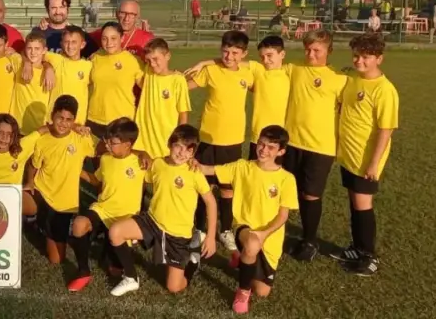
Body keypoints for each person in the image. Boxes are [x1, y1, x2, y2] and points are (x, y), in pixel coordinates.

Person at [195, 125, 298, 314]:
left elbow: (283, 216)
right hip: (243, 228)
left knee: (262, 291)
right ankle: (242, 292)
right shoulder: (242, 166)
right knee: (252, 244)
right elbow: (207, 169)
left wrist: (264, 233)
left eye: (271, 147)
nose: (263, 150)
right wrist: (190, 162)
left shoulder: (287, 179)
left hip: (270, 237)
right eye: (261, 144)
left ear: (281, 151)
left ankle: (241, 257)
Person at [107, 124, 217, 297]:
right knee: (115, 232)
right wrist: (142, 153)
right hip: (152, 222)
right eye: (178, 146)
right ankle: (131, 277)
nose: (182, 153)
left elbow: (211, 202)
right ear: (169, 145)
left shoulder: (194, 172)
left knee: (174, 287)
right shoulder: (158, 164)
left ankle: (192, 264)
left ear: (193, 154)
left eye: (188, 150)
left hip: (178, 235)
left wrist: (210, 237)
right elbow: (138, 168)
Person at [331, 34, 399, 276]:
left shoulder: (384, 90)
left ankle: (369, 256)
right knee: (354, 202)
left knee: (363, 205)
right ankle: (357, 247)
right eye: (356, 55)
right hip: (349, 156)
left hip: (365, 160)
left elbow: (386, 129)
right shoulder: (353, 79)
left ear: (379, 58)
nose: (359, 61)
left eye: (366, 57)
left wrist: (374, 163)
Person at [283, 29, 348, 261]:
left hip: (321, 147)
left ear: (329, 51)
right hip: (291, 143)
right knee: (285, 192)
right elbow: (262, 69)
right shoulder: (294, 69)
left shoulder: (340, 80)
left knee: (310, 195)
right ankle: (276, 233)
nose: (310, 54)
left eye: (316, 50)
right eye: (308, 49)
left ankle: (309, 241)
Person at [187, 31, 254, 253]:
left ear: (244, 54)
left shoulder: (248, 73)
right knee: (203, 186)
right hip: (207, 139)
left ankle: (225, 230)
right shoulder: (211, 71)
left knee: (227, 190)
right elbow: (185, 86)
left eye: (235, 53)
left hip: (232, 141)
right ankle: (200, 229)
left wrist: (208, 60)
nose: (229, 56)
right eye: (225, 51)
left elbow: (267, 76)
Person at [67, 118, 146, 292]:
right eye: (107, 141)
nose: (108, 145)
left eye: (113, 143)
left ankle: (108, 248)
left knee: (114, 271)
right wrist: (76, 170)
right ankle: (83, 271)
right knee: (79, 224)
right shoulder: (105, 159)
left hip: (124, 217)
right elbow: (96, 180)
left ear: (128, 144)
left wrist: (144, 153)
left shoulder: (141, 163)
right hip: (103, 209)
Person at [23, 95, 99, 265]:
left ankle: (40, 225)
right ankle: (25, 222)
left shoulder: (81, 138)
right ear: (52, 116)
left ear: (74, 120)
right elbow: (33, 165)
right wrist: (29, 182)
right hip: (42, 193)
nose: (63, 123)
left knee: (56, 260)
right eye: (60, 118)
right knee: (16, 202)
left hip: (64, 205)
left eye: (68, 119)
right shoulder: (43, 140)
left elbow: (102, 148)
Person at [86, 22, 144, 140]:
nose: (109, 43)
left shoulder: (133, 61)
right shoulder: (94, 58)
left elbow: (148, 86)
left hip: (122, 122)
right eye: (104, 39)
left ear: (122, 38)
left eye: (113, 38)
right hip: (94, 120)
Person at [134, 38, 190, 159]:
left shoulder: (178, 80)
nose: (152, 64)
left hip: (166, 140)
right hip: (143, 142)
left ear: (167, 56)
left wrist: (180, 140)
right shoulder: (148, 72)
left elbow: (183, 113)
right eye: (148, 60)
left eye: (155, 59)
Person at [44, 26, 93, 124]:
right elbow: (30, 53)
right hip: (54, 120)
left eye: (74, 42)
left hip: (77, 121)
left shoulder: (89, 65)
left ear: (82, 44)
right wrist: (48, 67)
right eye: (66, 42)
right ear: (61, 43)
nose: (70, 46)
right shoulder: (55, 59)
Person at [10, 32, 52, 134]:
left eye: (37, 48)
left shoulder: (50, 72)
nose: (33, 52)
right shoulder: (19, 63)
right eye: (29, 48)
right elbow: (9, 52)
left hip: (40, 128)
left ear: (44, 50)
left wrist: (48, 67)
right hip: (18, 127)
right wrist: (26, 62)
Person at [88, 0, 154, 58]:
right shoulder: (100, 34)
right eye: (123, 13)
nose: (126, 18)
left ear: (137, 17)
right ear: (116, 14)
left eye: (131, 14)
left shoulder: (147, 39)